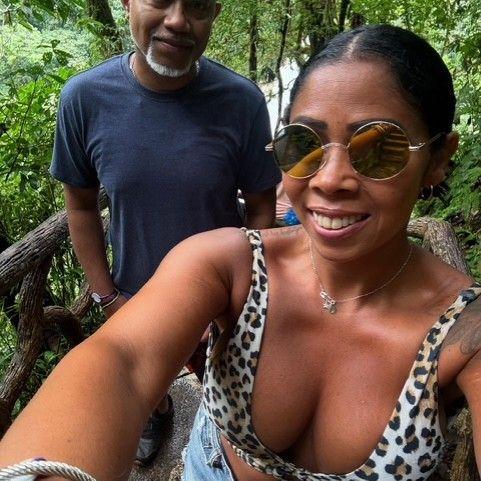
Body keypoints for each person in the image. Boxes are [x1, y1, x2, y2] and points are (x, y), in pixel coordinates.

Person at [1, 24, 481, 481]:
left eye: (380, 149)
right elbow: (121, 361)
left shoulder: (465, 329)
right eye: (304, 144)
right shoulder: (229, 263)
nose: (331, 178)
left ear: (438, 159)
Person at [49, 0, 280, 466]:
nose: (177, 20)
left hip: (224, 296)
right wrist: (106, 296)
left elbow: (260, 205)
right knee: (147, 386)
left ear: (214, 13)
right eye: (159, 0)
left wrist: (246, 298)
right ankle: (159, 411)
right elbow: (80, 205)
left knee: (233, 393)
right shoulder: (85, 98)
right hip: (136, 291)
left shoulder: (241, 101)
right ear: (127, 4)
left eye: (196, 6)